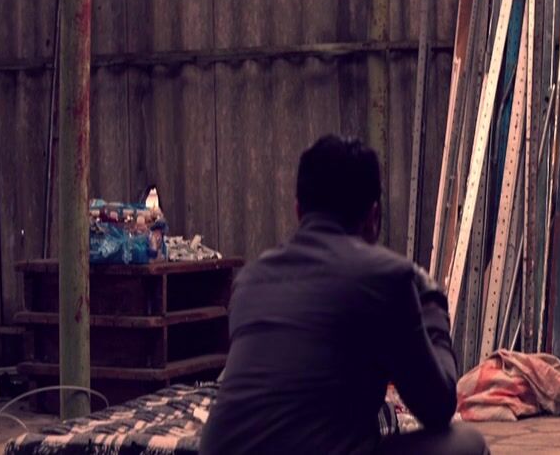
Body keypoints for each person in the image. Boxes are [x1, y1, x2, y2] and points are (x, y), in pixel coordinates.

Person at [201, 135, 488, 455]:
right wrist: (433, 304)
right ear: (374, 217)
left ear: (298, 211)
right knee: (467, 443)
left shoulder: (249, 280)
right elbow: (438, 406)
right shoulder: (386, 276)